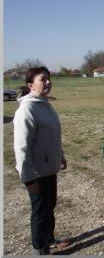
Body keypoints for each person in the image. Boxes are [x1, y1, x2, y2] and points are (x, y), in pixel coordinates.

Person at [13, 67, 69, 255]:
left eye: (49, 78)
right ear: (30, 85)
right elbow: (22, 147)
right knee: (39, 212)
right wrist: (28, 177)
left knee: (49, 206)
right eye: (42, 79)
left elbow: (51, 137)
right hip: (35, 173)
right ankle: (40, 249)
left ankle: (50, 239)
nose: (48, 82)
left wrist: (59, 155)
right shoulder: (27, 109)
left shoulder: (45, 103)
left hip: (49, 169)